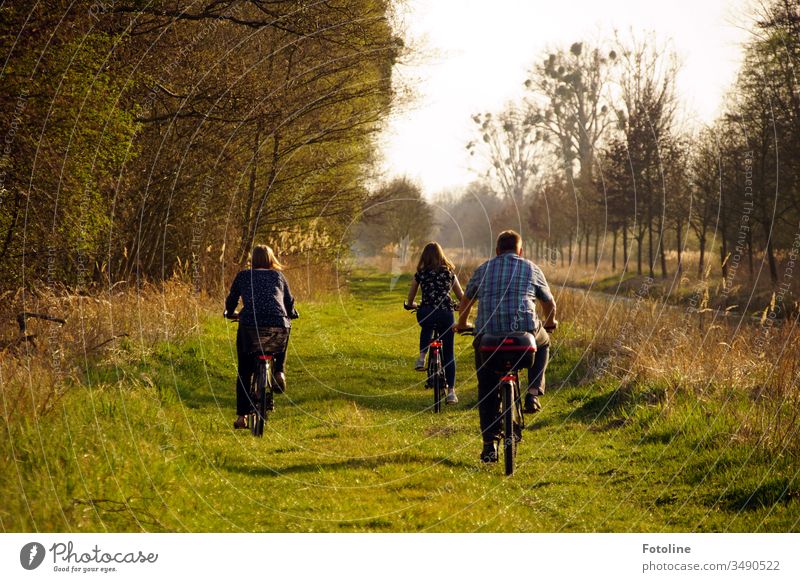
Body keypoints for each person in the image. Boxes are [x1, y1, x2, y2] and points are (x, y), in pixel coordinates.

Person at [454, 230, 557, 462]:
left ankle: (489, 445)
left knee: (487, 388)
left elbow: (466, 302)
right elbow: (550, 304)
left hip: (488, 339)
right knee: (544, 342)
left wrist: (461, 324)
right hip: (525, 337)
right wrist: (550, 323)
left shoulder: (482, 270)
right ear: (520, 251)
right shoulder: (532, 268)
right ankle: (533, 392)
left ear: (497, 251)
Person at [225, 244, 297, 429]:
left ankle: (242, 417)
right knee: (283, 332)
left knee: (244, 371)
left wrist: (230, 312)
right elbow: (288, 302)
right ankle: (279, 370)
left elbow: (232, 299)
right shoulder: (279, 276)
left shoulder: (243, 276)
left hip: (250, 326)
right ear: (271, 259)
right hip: (277, 324)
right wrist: (291, 313)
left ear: (252, 260)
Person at [406, 242, 465, 404]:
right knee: (449, 354)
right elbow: (461, 296)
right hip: (446, 314)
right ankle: (452, 392)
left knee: (426, 325)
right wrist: (459, 305)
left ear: (424, 256)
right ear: (441, 255)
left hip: (426, 312)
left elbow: (411, 298)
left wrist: (412, 305)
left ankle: (422, 357)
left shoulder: (421, 274)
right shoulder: (449, 273)